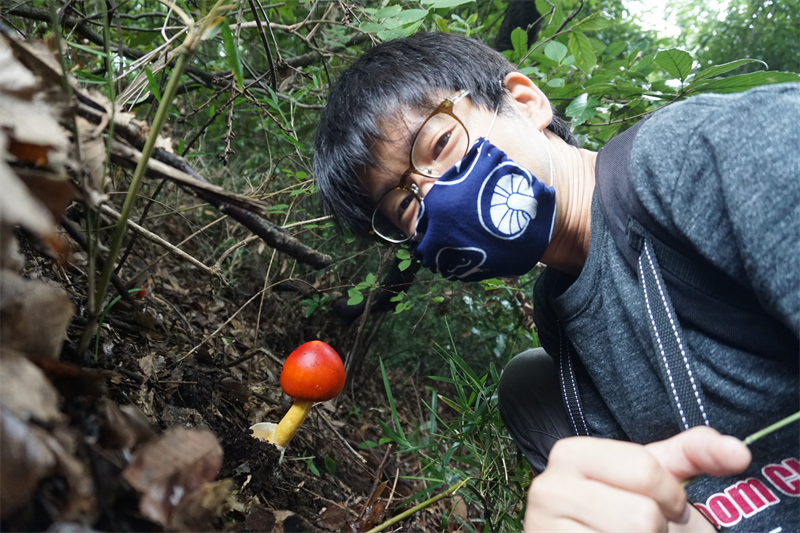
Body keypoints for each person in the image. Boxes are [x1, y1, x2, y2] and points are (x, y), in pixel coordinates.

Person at [313, 32, 800, 532]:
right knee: (524, 384)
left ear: (525, 103)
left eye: (439, 144)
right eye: (405, 206)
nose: (434, 195)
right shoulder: (560, 314)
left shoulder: (705, 153)